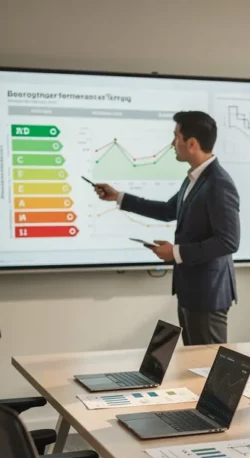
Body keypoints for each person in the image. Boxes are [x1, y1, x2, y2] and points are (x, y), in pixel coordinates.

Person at [94, 111, 240, 346]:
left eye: (176, 137)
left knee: (208, 366)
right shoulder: (195, 178)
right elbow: (166, 210)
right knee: (194, 366)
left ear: (192, 143)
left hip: (208, 294)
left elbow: (228, 241)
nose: (173, 144)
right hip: (192, 292)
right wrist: (118, 197)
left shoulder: (218, 183)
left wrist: (176, 253)